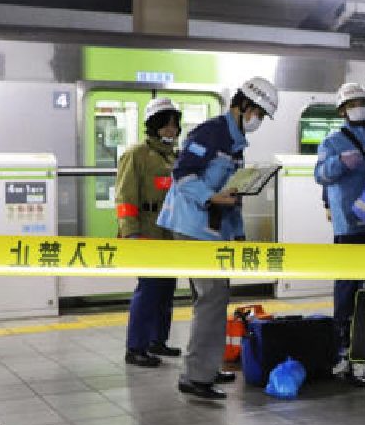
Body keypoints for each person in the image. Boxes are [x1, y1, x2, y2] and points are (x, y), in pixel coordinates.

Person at [158, 77, 278, 399]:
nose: (259, 122)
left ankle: (206, 367)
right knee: (211, 297)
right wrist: (211, 197)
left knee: (215, 296)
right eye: (259, 114)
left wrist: (238, 234)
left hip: (211, 230)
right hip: (191, 225)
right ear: (245, 107)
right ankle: (196, 376)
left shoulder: (236, 143)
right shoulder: (211, 132)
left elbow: (231, 193)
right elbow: (183, 175)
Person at [314, 82, 365, 371]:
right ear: (343, 110)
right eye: (352, 104)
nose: (357, 108)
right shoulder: (332, 142)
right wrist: (339, 163)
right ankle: (340, 343)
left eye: (361, 103)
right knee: (346, 284)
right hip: (348, 223)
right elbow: (320, 175)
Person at [118, 98, 183, 368]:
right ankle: (136, 347)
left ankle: (158, 341)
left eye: (174, 125)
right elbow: (124, 196)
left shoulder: (176, 157)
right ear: (154, 126)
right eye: (165, 125)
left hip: (170, 230)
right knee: (148, 289)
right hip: (146, 230)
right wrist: (131, 232)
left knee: (166, 289)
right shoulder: (136, 154)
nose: (171, 130)